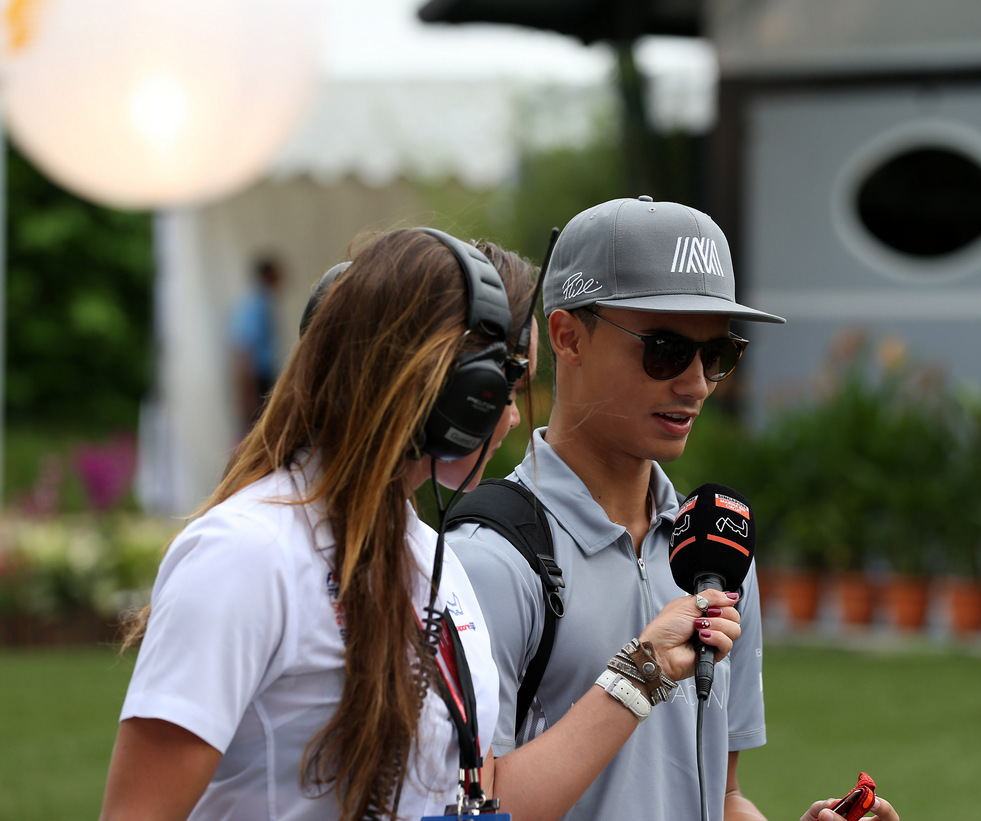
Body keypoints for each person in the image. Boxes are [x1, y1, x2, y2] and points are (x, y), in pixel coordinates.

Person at [100, 227, 737, 821]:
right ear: (454, 388)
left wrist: (644, 668)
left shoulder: (430, 557)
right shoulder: (244, 554)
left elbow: (485, 797)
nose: (513, 418)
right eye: (507, 386)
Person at [445, 196, 900, 821]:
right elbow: (470, 809)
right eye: (665, 350)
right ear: (567, 337)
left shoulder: (719, 549)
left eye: (717, 356)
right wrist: (638, 678)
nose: (695, 384)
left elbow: (722, 795)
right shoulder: (486, 559)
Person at [231, 254, 284, 432]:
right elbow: (245, 347)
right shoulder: (257, 304)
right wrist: (249, 391)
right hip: (257, 378)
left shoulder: (262, 302)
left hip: (261, 376)